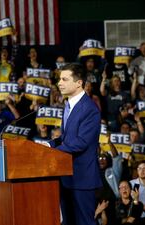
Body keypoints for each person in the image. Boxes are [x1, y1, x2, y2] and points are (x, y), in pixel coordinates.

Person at [48, 63, 102, 225]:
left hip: (82, 179)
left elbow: (81, 142)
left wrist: (54, 150)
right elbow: (67, 138)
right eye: (59, 79)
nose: (59, 83)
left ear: (79, 83)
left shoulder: (90, 108)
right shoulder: (68, 105)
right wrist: (49, 145)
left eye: (64, 79)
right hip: (66, 176)